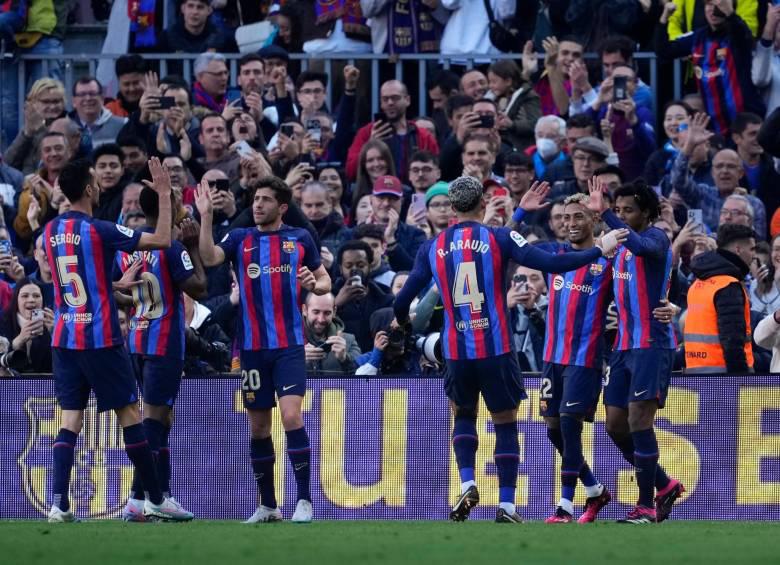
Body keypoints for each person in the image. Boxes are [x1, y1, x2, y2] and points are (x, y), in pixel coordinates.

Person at [393, 176, 627, 523]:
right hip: (496, 348)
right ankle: (506, 506)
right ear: (484, 202)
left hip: (456, 351)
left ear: (452, 208)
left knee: (464, 416)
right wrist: (599, 249)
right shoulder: (499, 237)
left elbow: (402, 301)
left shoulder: (432, 246)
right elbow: (550, 263)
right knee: (504, 422)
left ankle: (468, 482)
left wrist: (408, 324)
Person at [44, 157, 191, 522]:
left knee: (70, 419)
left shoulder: (48, 231)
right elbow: (160, 239)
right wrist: (162, 196)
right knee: (130, 415)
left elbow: (68, 279)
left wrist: (111, 285)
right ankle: (156, 498)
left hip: (64, 337)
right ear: (90, 189)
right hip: (100, 338)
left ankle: (59, 504)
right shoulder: (100, 229)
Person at [196, 175, 331, 523]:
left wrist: (313, 284)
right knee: (258, 429)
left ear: (282, 206)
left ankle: (304, 501)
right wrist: (206, 216)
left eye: (265, 199)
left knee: (290, 416)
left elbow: (325, 279)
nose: (257, 205)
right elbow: (210, 257)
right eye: (255, 199)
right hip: (253, 349)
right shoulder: (241, 238)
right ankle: (268, 505)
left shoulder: (300, 239)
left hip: (288, 346)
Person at [585, 178, 686, 524]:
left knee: (639, 421)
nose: (622, 215)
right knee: (615, 425)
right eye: (618, 210)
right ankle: (664, 483)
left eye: (629, 210)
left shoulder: (656, 238)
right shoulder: (618, 247)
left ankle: (645, 506)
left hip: (651, 346)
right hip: (622, 347)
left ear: (646, 211)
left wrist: (674, 307)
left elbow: (645, 250)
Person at [514, 185, 612, 523]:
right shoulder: (552, 255)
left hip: (584, 359)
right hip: (551, 359)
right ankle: (596, 490)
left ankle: (565, 506)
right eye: (565, 217)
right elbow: (507, 244)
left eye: (578, 217)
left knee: (570, 427)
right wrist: (522, 212)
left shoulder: (607, 262)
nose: (570, 223)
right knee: (554, 430)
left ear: (592, 220)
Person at [116, 187, 208, 522]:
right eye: (178, 201)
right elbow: (199, 287)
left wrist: (139, 303)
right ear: (167, 207)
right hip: (164, 344)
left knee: (162, 420)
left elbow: (124, 297)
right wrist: (195, 247)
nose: (185, 206)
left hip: (137, 343)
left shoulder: (131, 248)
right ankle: (138, 499)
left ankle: (164, 494)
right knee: (154, 421)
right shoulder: (171, 248)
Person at [684, 223, 755, 374]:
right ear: (738, 249)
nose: (754, 255)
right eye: (751, 249)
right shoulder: (728, 285)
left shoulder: (699, 282)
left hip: (694, 371)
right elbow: (732, 342)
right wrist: (741, 377)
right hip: (724, 376)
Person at [0, 279, 53, 373]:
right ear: (16, 300)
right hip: (10, 383)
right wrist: (17, 342)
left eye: (36, 296)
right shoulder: (2, 322)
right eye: (25, 296)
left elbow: (59, 364)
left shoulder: (52, 322)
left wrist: (54, 334)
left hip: (45, 383)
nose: (31, 300)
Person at [302, 292, 361, 375]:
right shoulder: (289, 342)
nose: (321, 319)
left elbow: (362, 379)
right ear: (304, 310)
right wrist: (298, 361)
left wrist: (344, 359)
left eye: (327, 313)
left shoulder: (348, 340)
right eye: (316, 312)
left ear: (334, 312)